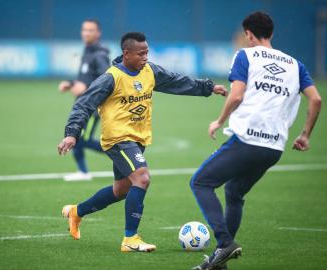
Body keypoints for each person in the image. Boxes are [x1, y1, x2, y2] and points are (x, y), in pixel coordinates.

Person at [58, 32, 228, 252]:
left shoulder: (150, 71)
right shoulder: (111, 78)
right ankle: (131, 239)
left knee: (121, 190)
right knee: (142, 178)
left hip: (138, 138)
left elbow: (177, 81)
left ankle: (76, 212)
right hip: (118, 138)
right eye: (141, 53)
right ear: (126, 53)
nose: (145, 56)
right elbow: (83, 104)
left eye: (147, 52)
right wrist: (72, 133)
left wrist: (208, 87)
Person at [190, 11, 322, 270]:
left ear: (248, 34)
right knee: (234, 192)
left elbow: (237, 95)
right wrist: (305, 134)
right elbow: (316, 99)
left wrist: (219, 120)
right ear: (271, 34)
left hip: (247, 141)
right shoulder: (295, 65)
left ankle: (224, 243)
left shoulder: (245, 55)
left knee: (201, 182)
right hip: (273, 147)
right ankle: (218, 263)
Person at [58, 19, 110, 181]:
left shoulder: (100, 55)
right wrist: (71, 84)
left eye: (90, 30)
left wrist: (85, 86)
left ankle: (122, 151)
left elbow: (106, 79)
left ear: (98, 33)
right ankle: (82, 172)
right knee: (77, 137)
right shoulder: (87, 51)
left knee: (80, 139)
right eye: (84, 30)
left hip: (92, 107)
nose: (86, 33)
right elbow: (85, 78)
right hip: (82, 104)